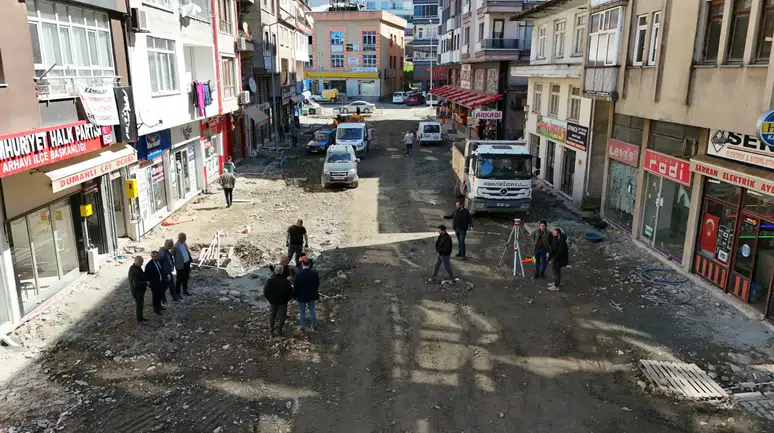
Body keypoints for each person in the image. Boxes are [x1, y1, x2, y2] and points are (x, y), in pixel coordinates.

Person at [263, 265, 294, 337]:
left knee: (271, 316)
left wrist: (270, 299)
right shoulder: (286, 281)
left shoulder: (270, 280)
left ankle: (271, 332)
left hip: (272, 302)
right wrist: (286, 300)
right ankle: (279, 332)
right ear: (282, 271)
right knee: (281, 318)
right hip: (282, 303)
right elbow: (290, 293)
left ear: (275, 271)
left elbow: (265, 292)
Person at [293, 257, 320, 332]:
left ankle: (302, 326)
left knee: (302, 311)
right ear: (309, 264)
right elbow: (317, 284)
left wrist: (294, 297)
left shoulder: (298, 275)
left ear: (302, 264)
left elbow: (296, 287)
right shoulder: (314, 273)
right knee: (312, 310)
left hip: (301, 296)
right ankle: (314, 325)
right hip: (311, 294)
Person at [128, 256, 149, 323]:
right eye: (141, 262)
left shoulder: (136, 267)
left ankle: (141, 317)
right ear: (138, 262)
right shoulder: (134, 270)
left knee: (141, 304)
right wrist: (146, 282)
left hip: (140, 290)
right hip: (137, 291)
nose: (142, 263)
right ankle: (139, 319)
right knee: (139, 305)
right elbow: (136, 283)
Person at [158, 239, 180, 304]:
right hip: (165, 273)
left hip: (169, 272)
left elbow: (170, 259)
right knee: (165, 286)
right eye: (170, 247)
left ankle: (175, 298)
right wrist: (164, 273)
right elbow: (160, 265)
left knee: (171, 285)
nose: (170, 248)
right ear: (167, 245)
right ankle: (163, 299)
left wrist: (172, 266)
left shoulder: (167, 251)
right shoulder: (161, 254)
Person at [145, 250, 166, 316]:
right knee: (155, 297)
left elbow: (161, 270)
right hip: (155, 284)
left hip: (160, 282)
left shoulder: (158, 262)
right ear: (151, 257)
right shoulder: (149, 265)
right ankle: (156, 310)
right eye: (153, 257)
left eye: (156, 256)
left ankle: (159, 306)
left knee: (160, 295)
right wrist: (150, 284)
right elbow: (147, 276)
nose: (155, 258)